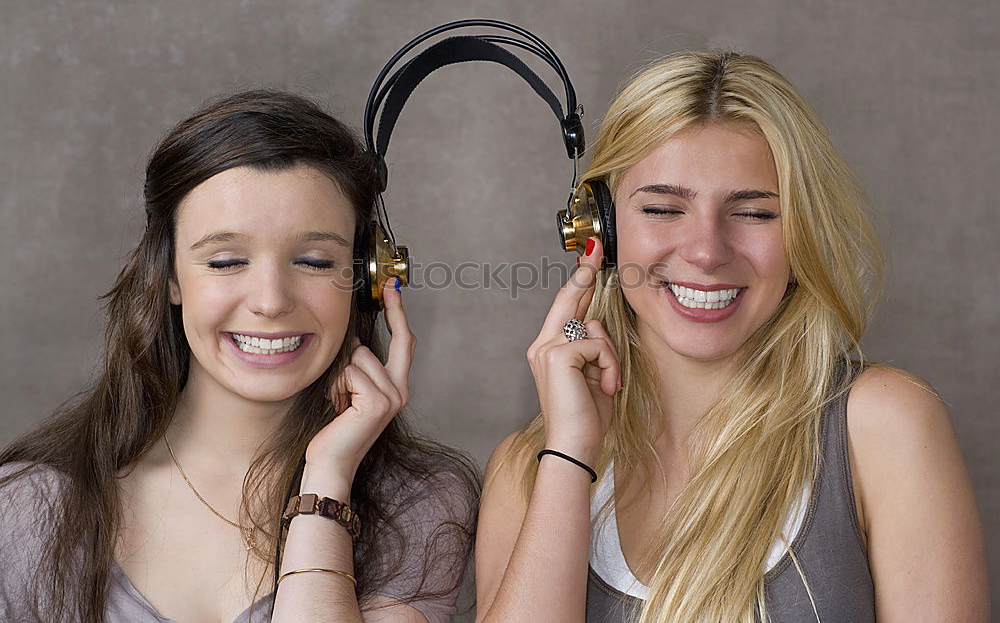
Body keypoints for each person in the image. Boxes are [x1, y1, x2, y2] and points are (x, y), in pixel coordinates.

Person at [475, 52, 989, 621]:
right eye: (664, 209)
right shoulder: (528, 468)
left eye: (754, 214)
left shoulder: (884, 426)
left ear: (802, 236)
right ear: (599, 232)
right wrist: (569, 454)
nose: (706, 251)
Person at [0, 90, 479, 622]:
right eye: (226, 261)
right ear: (169, 277)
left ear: (365, 279)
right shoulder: (27, 509)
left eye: (315, 261)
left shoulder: (415, 505)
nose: (271, 301)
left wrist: (327, 480)